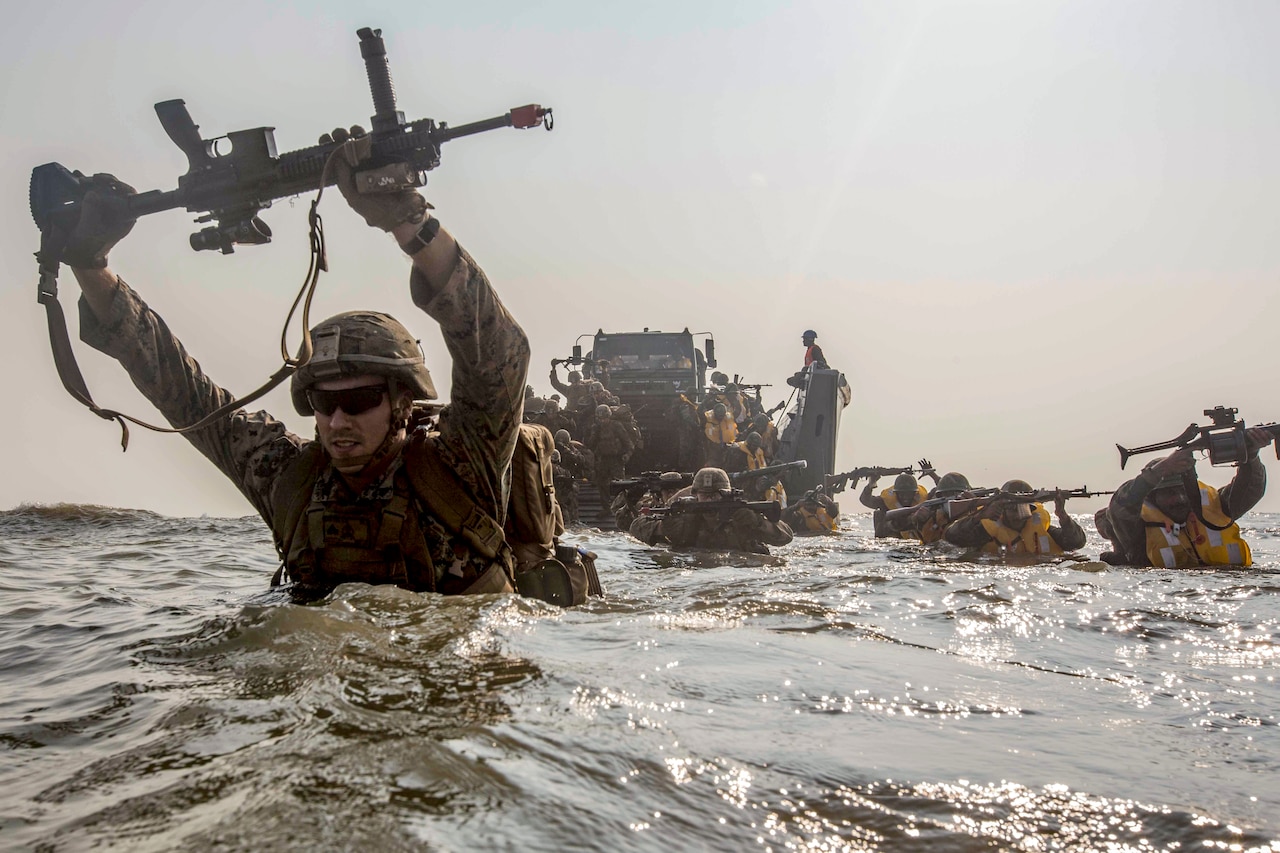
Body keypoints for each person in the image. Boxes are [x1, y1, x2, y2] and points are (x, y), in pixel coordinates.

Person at [59, 142, 530, 601]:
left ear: (403, 403)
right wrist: (88, 264)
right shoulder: (290, 479)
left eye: (360, 401)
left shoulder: (463, 463)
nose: (338, 421)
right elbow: (183, 390)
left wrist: (411, 223)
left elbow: (496, 349)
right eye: (324, 404)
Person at [1106, 435, 1270, 568]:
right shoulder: (1135, 528)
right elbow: (1121, 507)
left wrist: (1251, 456)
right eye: (1170, 493)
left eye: (1183, 490)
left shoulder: (1218, 506)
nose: (1180, 498)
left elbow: (1251, 489)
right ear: (1152, 496)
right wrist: (1159, 471)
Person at [628, 468, 794, 554]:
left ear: (727, 494)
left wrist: (759, 523)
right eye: (704, 495)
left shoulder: (743, 515)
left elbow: (786, 537)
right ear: (695, 495)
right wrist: (662, 529)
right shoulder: (685, 514)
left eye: (715, 495)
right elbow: (636, 526)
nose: (709, 500)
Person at [943, 479, 1087, 556]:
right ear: (1002, 508)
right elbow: (952, 537)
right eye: (1011, 507)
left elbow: (1076, 543)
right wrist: (980, 515)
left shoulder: (1042, 529)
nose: (1017, 514)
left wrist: (1063, 516)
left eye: (1023, 507)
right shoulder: (986, 532)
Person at [860, 469, 932, 539]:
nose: (905, 497)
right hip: (893, 539)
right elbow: (865, 500)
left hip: (917, 537)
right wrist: (870, 485)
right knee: (879, 514)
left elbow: (940, 494)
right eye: (902, 494)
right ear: (896, 493)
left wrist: (933, 475)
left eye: (908, 494)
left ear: (914, 494)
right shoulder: (886, 501)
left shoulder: (924, 500)